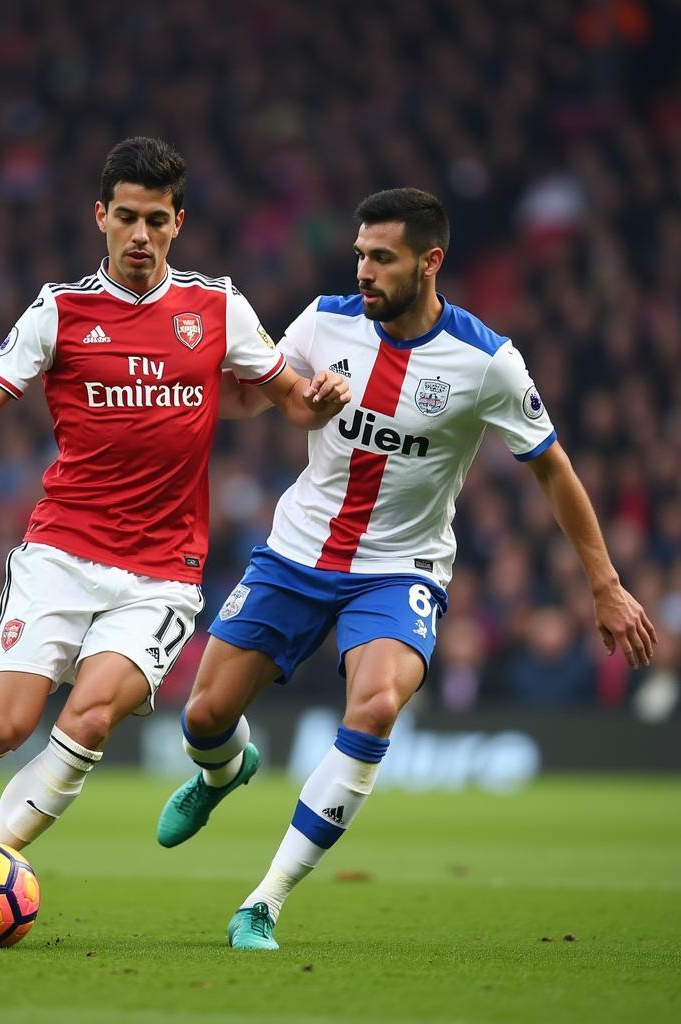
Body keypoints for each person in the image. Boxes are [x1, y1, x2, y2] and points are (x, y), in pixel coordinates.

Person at [156, 187, 658, 950]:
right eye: (359, 253)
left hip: (401, 569)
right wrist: (245, 396)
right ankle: (224, 771)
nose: (363, 270)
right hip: (295, 553)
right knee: (202, 718)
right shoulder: (324, 322)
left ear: (430, 262)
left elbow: (553, 469)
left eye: (381, 258)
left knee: (379, 704)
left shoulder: (487, 361)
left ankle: (264, 901)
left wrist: (607, 584)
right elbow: (251, 401)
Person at [0, 136, 350, 943]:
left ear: (179, 224)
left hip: (162, 572)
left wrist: (320, 394)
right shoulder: (60, 310)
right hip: (61, 553)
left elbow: (290, 402)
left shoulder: (217, 309)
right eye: (127, 218)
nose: (141, 235)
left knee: (91, 720)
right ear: (100, 217)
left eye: (158, 221)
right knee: (2, 728)